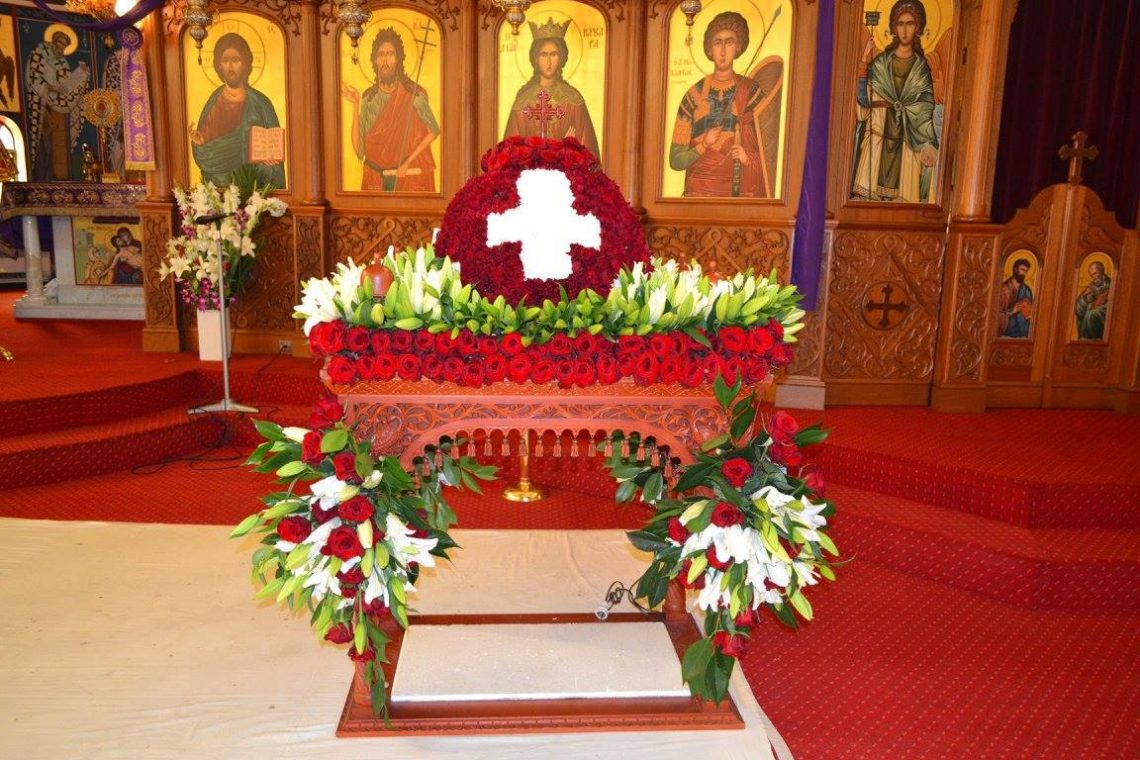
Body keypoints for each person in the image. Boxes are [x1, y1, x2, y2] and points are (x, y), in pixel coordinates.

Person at [668, 11, 765, 198]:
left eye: (729, 42)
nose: (723, 51)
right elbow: (676, 160)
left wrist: (747, 158)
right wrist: (704, 144)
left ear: (738, 46)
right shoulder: (693, 96)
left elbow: (769, 155)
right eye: (717, 43)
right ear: (709, 49)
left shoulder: (751, 93)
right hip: (698, 195)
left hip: (738, 194)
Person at [850, 0, 939, 203]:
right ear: (893, 28)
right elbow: (864, 104)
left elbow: (924, 110)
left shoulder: (921, 69)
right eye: (900, 24)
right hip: (878, 137)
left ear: (918, 27)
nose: (905, 30)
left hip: (907, 143)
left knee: (903, 203)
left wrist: (928, 144)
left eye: (910, 24)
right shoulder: (880, 64)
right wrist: (863, 67)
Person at [342, 28, 439, 192]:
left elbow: (433, 131)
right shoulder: (369, 98)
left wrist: (408, 162)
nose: (385, 60)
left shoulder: (414, 94)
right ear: (375, 61)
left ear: (398, 59)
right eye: (381, 55)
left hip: (406, 178)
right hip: (375, 178)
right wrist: (355, 104)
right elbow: (359, 149)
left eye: (390, 54)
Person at [189, 33, 285, 188]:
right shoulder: (214, 101)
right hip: (218, 188)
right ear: (219, 65)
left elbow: (274, 158)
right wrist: (199, 144)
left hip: (253, 186)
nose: (230, 66)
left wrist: (269, 159)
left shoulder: (260, 103)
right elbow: (206, 154)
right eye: (225, 60)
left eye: (236, 60)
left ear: (245, 64)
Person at [503, 18, 600, 159]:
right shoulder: (523, 102)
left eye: (554, 54)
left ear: (561, 58)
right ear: (535, 59)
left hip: (567, 173)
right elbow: (509, 154)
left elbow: (589, 155)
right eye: (543, 55)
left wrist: (571, 148)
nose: (548, 61)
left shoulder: (574, 101)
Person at [25, 28, 90, 181]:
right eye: (60, 44)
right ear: (53, 41)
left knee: (59, 146)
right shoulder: (39, 52)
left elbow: (66, 85)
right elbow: (33, 76)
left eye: (64, 47)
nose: (61, 49)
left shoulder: (63, 62)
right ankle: (43, 178)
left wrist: (81, 74)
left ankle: (59, 177)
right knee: (44, 145)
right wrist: (48, 88)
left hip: (59, 111)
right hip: (41, 106)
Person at [996, 258, 1033, 338]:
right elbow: (995, 314)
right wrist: (1012, 311)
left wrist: (1029, 312)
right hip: (1009, 326)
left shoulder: (1027, 290)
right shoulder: (1004, 289)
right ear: (1015, 269)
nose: (1024, 273)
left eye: (1026, 271)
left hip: (1024, 325)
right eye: (1022, 270)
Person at [1074, 261, 1111, 340]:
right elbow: (1077, 308)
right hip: (1093, 316)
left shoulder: (1111, 284)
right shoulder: (1091, 287)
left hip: (1104, 315)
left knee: (1091, 314)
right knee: (1088, 311)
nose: (1094, 277)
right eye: (1091, 275)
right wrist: (1085, 300)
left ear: (1102, 272)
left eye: (1095, 273)